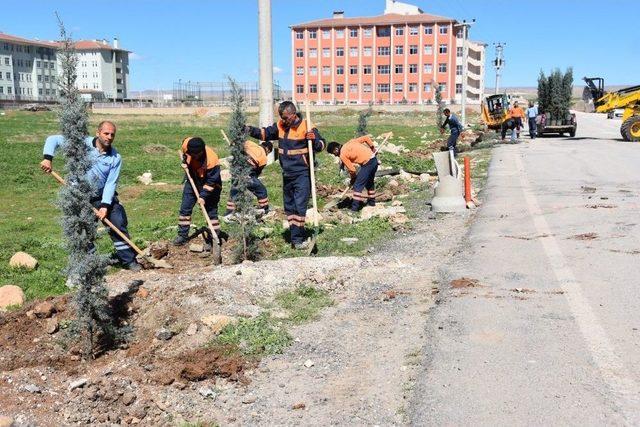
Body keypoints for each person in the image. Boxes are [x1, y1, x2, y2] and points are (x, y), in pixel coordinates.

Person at [40, 121, 142, 271]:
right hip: (80, 195)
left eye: (112, 134)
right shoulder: (81, 143)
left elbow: (110, 183)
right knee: (84, 231)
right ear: (98, 133)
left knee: (118, 224)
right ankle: (91, 263)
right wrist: (48, 158)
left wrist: (105, 205)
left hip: (103, 196)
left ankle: (128, 261)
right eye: (106, 133)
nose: (109, 137)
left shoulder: (115, 158)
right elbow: (52, 139)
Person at [246, 101, 326, 250]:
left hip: (302, 173)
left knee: (299, 205)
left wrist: (313, 139)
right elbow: (264, 133)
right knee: (289, 206)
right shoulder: (280, 126)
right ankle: (294, 235)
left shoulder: (307, 126)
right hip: (287, 173)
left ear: (293, 114)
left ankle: (297, 238)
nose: (283, 121)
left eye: (285, 118)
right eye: (281, 118)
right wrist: (248, 129)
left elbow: (322, 145)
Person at [173, 137, 223, 250]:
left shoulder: (212, 160)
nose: (195, 156)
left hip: (211, 184)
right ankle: (182, 235)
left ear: (202, 151)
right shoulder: (187, 145)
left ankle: (213, 239)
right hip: (193, 180)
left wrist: (203, 196)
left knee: (211, 211)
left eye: (197, 154)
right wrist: (184, 162)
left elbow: (211, 182)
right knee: (185, 208)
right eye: (192, 154)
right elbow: (185, 154)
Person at [224, 139, 273, 219]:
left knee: (235, 190)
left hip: (236, 168)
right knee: (261, 190)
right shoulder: (264, 158)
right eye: (268, 153)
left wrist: (233, 145)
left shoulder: (251, 143)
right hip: (247, 172)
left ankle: (229, 212)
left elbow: (238, 140)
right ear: (267, 149)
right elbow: (255, 174)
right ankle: (264, 209)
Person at [327, 135, 378, 212]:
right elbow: (366, 138)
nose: (335, 155)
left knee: (357, 185)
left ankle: (354, 209)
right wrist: (372, 148)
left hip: (368, 164)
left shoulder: (342, 155)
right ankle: (372, 203)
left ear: (336, 149)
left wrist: (353, 179)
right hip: (374, 161)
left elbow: (352, 170)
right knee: (369, 183)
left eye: (334, 153)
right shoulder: (350, 142)